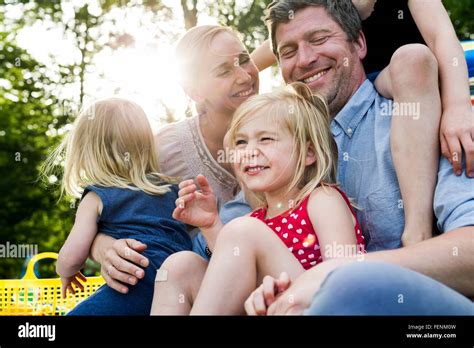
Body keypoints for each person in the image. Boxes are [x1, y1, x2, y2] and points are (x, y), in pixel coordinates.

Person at [244, 0, 474, 315]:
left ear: (359, 43)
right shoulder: (284, 152)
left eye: (320, 39)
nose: (306, 59)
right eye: (288, 51)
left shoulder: (428, 121)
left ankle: (414, 232)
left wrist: (340, 272)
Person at [75, 25, 259, 314]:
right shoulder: (166, 150)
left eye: (245, 59)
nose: (245, 75)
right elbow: (102, 208)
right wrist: (104, 247)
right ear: (194, 91)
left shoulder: (284, 127)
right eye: (224, 71)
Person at [151, 82, 366, 315]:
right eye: (241, 142)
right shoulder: (256, 219)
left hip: (319, 306)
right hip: (266, 307)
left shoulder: (322, 199)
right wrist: (211, 225)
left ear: (309, 153)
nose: (249, 151)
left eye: (266, 139)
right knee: (180, 266)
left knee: (244, 230)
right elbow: (231, 277)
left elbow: (343, 275)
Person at [42, 98, 193, 314]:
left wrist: (65, 272)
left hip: (133, 279)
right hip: (179, 285)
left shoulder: (97, 196)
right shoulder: (172, 190)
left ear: (87, 152)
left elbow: (71, 257)